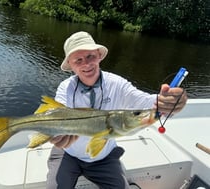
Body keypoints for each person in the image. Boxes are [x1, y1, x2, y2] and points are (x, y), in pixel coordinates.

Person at [45, 31, 187, 189]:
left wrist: (170, 102)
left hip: (103, 157)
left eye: (90, 56)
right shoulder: (66, 88)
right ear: (71, 65)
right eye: (78, 60)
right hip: (67, 153)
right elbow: (57, 117)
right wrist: (55, 134)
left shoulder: (118, 84)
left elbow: (148, 103)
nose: (86, 64)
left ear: (99, 55)